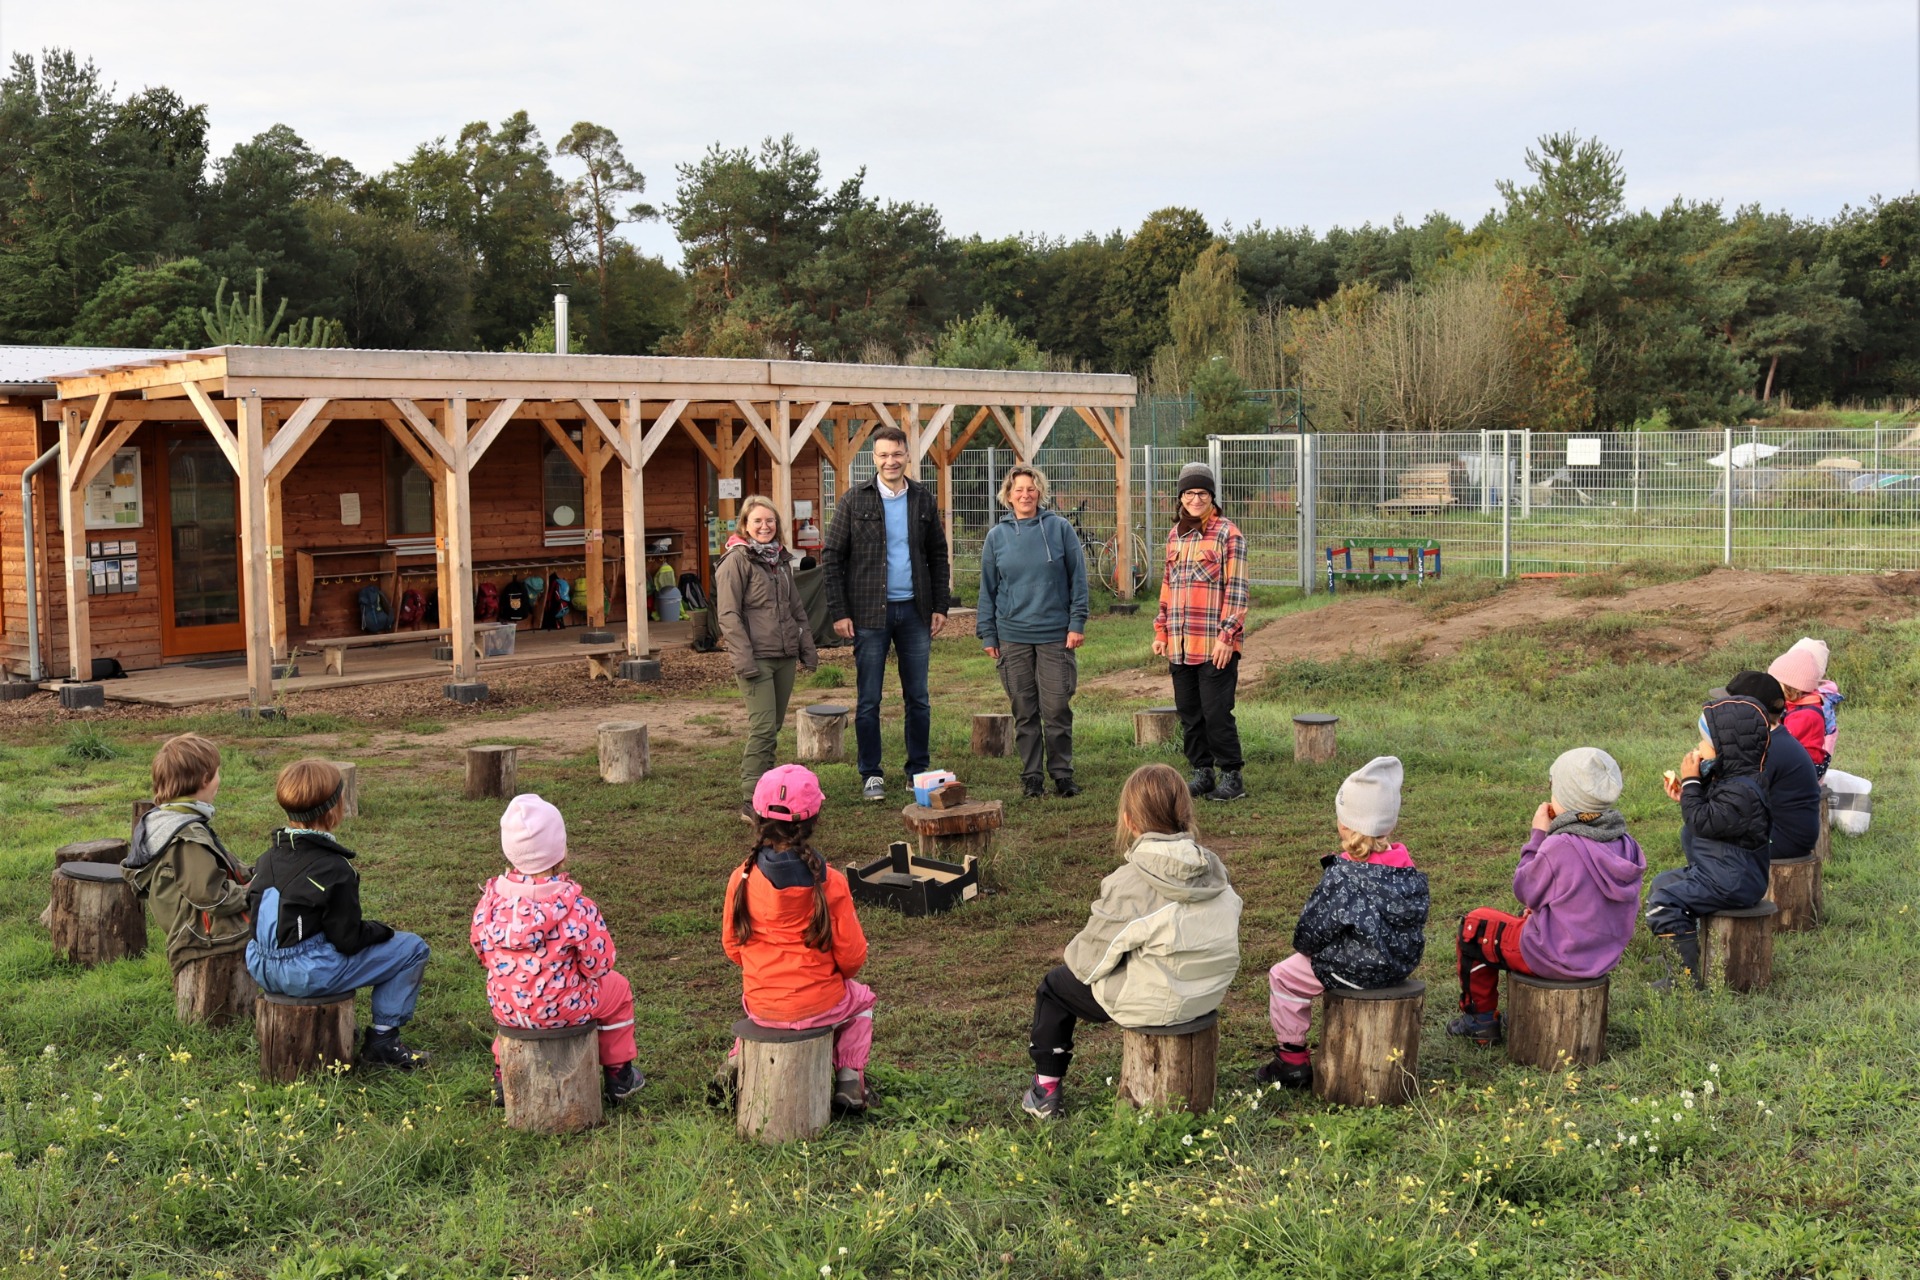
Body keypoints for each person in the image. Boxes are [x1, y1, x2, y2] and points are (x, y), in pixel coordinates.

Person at [1021, 763, 1241, 1119]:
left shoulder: (1131, 881)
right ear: (1186, 813)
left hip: (1157, 1001)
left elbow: (1088, 962)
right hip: (1208, 991)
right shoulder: (1212, 867)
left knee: (1054, 988)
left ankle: (1044, 1091)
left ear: (1129, 820)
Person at [1447, 748, 1645, 1045]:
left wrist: (1538, 835)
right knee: (1522, 918)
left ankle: (1479, 1021)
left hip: (1553, 955)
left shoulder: (1562, 845)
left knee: (1475, 927)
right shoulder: (1626, 844)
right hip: (1600, 957)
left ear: (1564, 796)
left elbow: (1524, 889)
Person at [247, 759, 431, 1068]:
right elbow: (348, 939)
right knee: (412, 948)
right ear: (335, 808)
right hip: (306, 972)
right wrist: (382, 931)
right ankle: (383, 1041)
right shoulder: (336, 867)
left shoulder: (268, 857)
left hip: (259, 965)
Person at [1258, 757, 1428, 1087]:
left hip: (1355, 969)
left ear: (1344, 824)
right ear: (1389, 825)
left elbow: (1310, 933)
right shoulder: (1408, 869)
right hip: (1398, 965)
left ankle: (1291, 1060)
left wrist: (1310, 948)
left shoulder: (1344, 875)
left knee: (1284, 976)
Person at [721, 764, 877, 1112]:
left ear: (757, 820)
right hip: (821, 1003)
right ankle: (850, 1077)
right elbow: (852, 959)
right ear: (813, 821)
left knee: (756, 1008)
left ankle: (735, 1060)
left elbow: (733, 948)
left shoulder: (741, 878)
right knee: (862, 1002)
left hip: (762, 1004)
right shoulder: (831, 882)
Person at [471, 794, 644, 1105]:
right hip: (567, 1008)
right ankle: (619, 1074)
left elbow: (481, 951)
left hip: (507, 1006)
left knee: (515, 995)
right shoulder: (576, 906)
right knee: (618, 990)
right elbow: (599, 964)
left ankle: (503, 1074)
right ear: (561, 852)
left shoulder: (490, 900)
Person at [821, 425, 952, 803]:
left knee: (919, 698)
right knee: (869, 699)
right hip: (867, 614)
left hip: (915, 611)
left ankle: (918, 772)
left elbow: (939, 556)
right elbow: (832, 557)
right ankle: (871, 774)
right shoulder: (853, 501)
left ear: (907, 456)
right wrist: (839, 611)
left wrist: (940, 605)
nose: (890, 461)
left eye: (896, 454)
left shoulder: (923, 500)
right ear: (873, 458)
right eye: (883, 455)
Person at [977, 464, 1090, 799]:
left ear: (1040, 491)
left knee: (1056, 708)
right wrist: (988, 633)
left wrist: (1076, 622)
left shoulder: (1059, 529)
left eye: (1031, 488)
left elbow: (1078, 580)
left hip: (1056, 634)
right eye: (1018, 490)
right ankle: (1031, 777)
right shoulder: (997, 537)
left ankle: (1062, 775)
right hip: (1012, 636)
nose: (1025, 495)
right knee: (1024, 710)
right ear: (1007, 496)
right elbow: (988, 589)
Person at [1645, 696, 1773, 988]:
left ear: (1726, 749)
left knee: (1666, 902)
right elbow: (1708, 816)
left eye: (1704, 742)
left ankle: (1683, 979)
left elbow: (1701, 821)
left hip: (1732, 879)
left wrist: (1691, 783)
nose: (1698, 749)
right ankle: (1677, 952)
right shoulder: (1732, 781)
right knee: (1661, 885)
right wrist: (1690, 792)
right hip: (1716, 869)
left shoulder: (1742, 792)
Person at [1152, 461, 1251, 802]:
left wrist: (1227, 636)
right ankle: (1202, 772)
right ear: (1181, 497)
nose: (1196, 499)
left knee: (1216, 712)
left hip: (1214, 645)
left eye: (1202, 493)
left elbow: (1238, 590)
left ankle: (1231, 776)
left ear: (1212, 497)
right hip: (1180, 643)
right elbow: (1168, 585)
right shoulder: (1174, 535)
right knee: (1190, 713)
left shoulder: (1228, 534)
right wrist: (1161, 631)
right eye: (1190, 492)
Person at [716, 495, 819, 815]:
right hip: (756, 658)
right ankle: (751, 799)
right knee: (762, 727)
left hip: (784, 655)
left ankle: (766, 792)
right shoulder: (736, 561)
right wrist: (743, 659)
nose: (765, 526)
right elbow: (728, 615)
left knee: (772, 727)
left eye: (770, 521)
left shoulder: (780, 561)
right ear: (745, 525)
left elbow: (795, 608)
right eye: (757, 521)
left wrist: (807, 648)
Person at [121, 733, 252, 974]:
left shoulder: (165, 819)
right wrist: (256, 892)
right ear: (205, 779)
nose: (219, 781)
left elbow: (221, 868)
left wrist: (257, 872)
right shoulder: (186, 836)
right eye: (217, 773)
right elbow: (213, 897)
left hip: (191, 925)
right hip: (201, 937)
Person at [1725, 670, 1822, 863]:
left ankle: (1720, 888)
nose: (1721, 712)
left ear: (1749, 711)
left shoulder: (1769, 748)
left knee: (1705, 838)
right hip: (1778, 830)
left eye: (1728, 706)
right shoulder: (1769, 740)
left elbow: (1736, 801)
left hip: (1785, 839)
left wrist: (1694, 787)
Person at [1768, 638, 1838, 776]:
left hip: (1806, 768)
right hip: (1799, 760)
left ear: (1790, 687)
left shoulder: (1805, 715)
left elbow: (1781, 740)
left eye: (1776, 684)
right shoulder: (1797, 706)